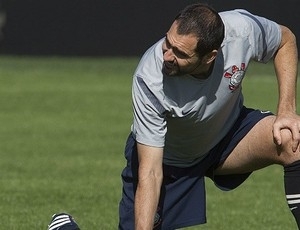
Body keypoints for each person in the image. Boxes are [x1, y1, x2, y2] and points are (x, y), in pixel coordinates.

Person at [118, 3, 300, 229]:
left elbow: (285, 39)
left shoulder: (242, 30)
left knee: (293, 139)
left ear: (210, 56)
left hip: (227, 138)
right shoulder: (149, 79)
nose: (167, 56)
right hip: (169, 161)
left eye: (181, 53)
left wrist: (287, 110)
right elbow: (151, 172)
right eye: (168, 43)